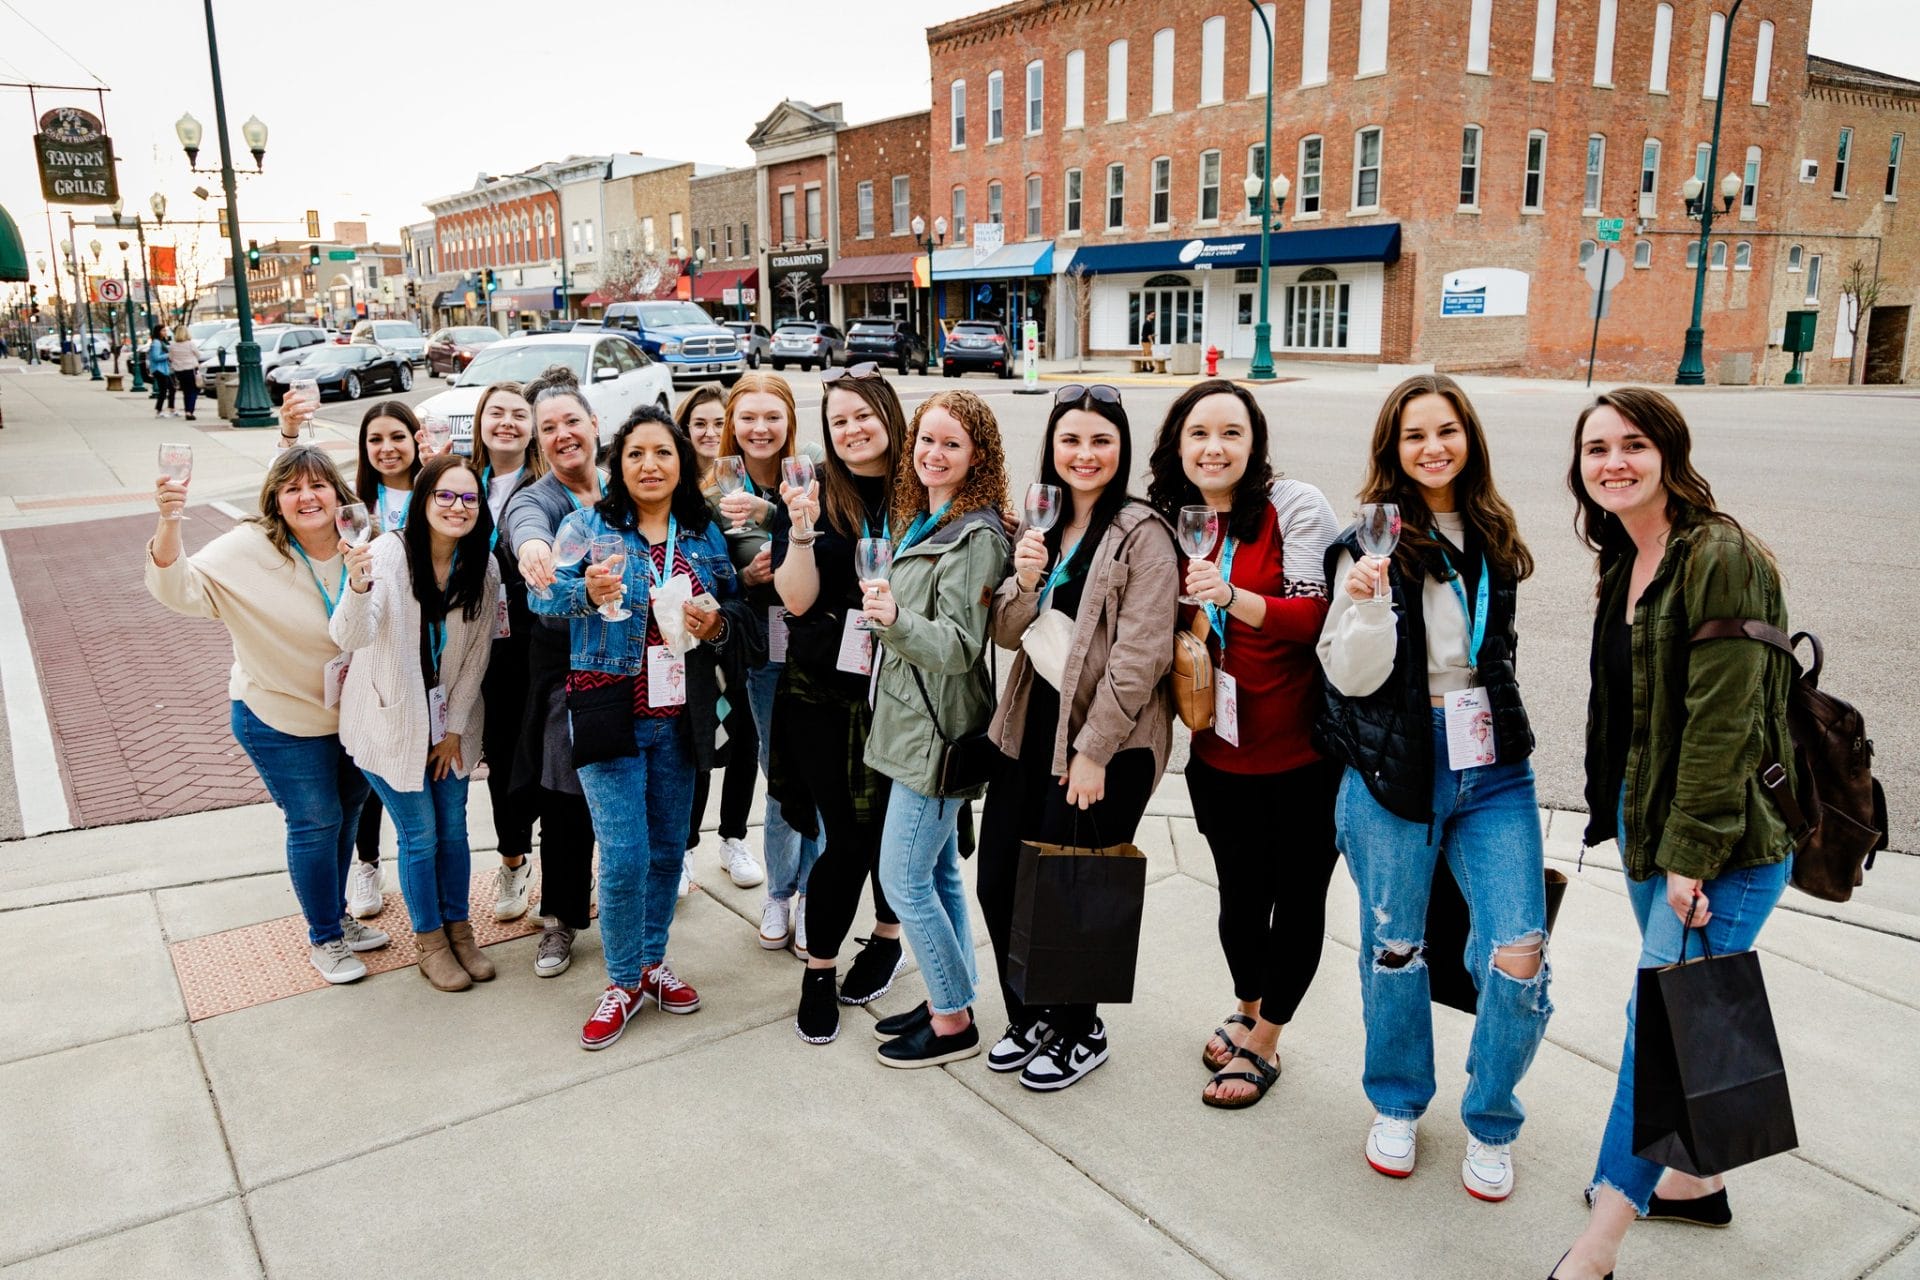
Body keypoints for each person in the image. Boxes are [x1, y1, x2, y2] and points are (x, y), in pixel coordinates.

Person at [1548, 389, 1797, 1280]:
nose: (1613, 462)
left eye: (1633, 444)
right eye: (1596, 449)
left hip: (1718, 843)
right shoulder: (1629, 553)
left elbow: (1725, 724)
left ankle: (1598, 1248)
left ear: (1670, 451)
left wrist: (1691, 856)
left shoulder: (1718, 555)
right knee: (1675, 1017)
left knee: (1655, 1028)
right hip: (1652, 824)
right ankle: (1696, 1182)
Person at [1316, 373, 1550, 1202]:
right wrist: (1367, 606)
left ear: (1469, 438)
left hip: (1491, 768)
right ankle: (1398, 1102)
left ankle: (1492, 1115)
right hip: (1395, 768)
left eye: (1446, 430)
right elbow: (1347, 674)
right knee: (1397, 948)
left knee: (1518, 952)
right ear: (1393, 450)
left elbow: (1494, 650)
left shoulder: (1491, 532)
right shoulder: (1366, 544)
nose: (1433, 448)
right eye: (1415, 435)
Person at [530, 404, 762, 1050]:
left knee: (666, 851)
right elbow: (540, 597)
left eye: (662, 453)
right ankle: (622, 980)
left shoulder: (700, 531)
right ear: (618, 464)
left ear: (681, 463)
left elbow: (730, 604)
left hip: (682, 714)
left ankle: (652, 964)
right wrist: (586, 593)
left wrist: (716, 618)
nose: (649, 465)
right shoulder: (586, 525)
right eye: (635, 454)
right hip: (609, 711)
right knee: (625, 856)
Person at [1144, 380, 1341, 1109]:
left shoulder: (1292, 508)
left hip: (1302, 750)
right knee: (1238, 898)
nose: (1214, 447)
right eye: (1199, 433)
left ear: (1254, 442)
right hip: (1217, 746)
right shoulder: (1169, 518)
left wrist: (1232, 598)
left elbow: (1315, 617)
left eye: (1232, 432)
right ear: (1179, 445)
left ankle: (1267, 1039)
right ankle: (1248, 1003)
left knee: (1297, 900)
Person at [977, 383, 1178, 1091]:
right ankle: (1031, 1013)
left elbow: (1142, 654)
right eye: (1071, 440)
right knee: (1000, 878)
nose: (1085, 453)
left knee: (1073, 889)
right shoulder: (1043, 523)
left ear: (1120, 448)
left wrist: (1093, 752)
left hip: (1107, 744)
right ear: (1052, 448)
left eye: (1100, 440)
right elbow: (1005, 632)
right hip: (1030, 726)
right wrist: (1024, 578)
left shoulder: (1144, 533)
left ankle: (1078, 1028)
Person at [146, 445, 390, 982]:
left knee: (348, 817)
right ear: (275, 501)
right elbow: (178, 588)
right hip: (279, 715)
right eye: (291, 488)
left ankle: (338, 916)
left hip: (350, 717)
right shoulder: (247, 548)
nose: (307, 497)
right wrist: (169, 521)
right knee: (315, 820)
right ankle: (324, 937)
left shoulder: (361, 543)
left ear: (338, 493)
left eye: (318, 485)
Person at [861, 390, 1011, 1068]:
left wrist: (892, 619)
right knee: (941, 871)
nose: (934, 453)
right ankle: (955, 994)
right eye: (926, 439)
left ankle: (953, 1022)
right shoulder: (923, 519)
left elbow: (956, 647)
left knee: (903, 879)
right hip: (908, 722)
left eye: (951, 443)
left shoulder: (975, 536)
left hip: (937, 731)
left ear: (977, 455)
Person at [772, 367, 910, 1043]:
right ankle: (819, 969)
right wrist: (798, 533)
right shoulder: (810, 491)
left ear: (887, 415)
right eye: (839, 421)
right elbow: (794, 601)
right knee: (847, 836)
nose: (853, 430)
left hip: (906, 692)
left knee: (892, 829)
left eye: (863, 415)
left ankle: (886, 936)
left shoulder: (924, 489)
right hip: (823, 692)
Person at [332, 455, 500, 991]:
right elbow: (350, 637)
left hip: (449, 725)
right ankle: (430, 942)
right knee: (420, 833)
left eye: (469, 498)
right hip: (388, 723)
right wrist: (357, 588)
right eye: (445, 496)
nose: (457, 507)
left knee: (453, 829)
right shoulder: (385, 554)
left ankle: (460, 930)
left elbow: (476, 656)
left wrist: (452, 732)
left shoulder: (484, 565)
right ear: (423, 500)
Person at [501, 366, 605, 978]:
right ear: (538, 441)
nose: (563, 434)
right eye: (549, 428)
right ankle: (559, 921)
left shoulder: (625, 483)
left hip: (635, 670)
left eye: (571, 421)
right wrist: (533, 550)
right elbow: (526, 529)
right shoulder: (535, 499)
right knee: (565, 798)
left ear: (594, 424)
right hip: (565, 675)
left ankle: (632, 906)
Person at [680, 382, 765, 895]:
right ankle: (687, 846)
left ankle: (733, 837)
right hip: (697, 627)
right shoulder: (677, 485)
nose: (711, 433)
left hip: (749, 625)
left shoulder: (748, 477)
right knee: (699, 736)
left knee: (745, 732)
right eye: (700, 424)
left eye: (720, 422)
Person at [342, 401, 426, 919]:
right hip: (372, 644)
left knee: (417, 766)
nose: (387, 448)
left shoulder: (437, 491)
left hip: (428, 645)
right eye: (376, 439)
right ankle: (366, 864)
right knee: (370, 765)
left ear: (416, 439)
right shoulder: (355, 506)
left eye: (398, 436)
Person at [472, 382, 544, 922]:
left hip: (538, 642)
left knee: (548, 756)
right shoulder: (457, 483)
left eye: (520, 414)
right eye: (496, 413)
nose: (507, 423)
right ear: (479, 422)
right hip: (481, 645)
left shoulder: (546, 485)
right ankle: (513, 859)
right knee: (501, 758)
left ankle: (566, 861)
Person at [168, 325, 202, 421]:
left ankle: (187, 410)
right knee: (193, 391)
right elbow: (198, 355)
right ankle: (189, 411)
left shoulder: (172, 345)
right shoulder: (190, 344)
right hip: (190, 369)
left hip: (179, 370)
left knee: (186, 391)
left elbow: (170, 358)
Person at [149, 325, 176, 418]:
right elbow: (155, 357)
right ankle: (159, 410)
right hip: (159, 369)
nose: (165, 332)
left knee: (171, 388)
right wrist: (168, 355)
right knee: (164, 390)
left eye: (165, 330)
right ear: (158, 332)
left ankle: (171, 409)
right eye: (163, 330)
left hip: (164, 369)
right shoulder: (156, 343)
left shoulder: (162, 342)